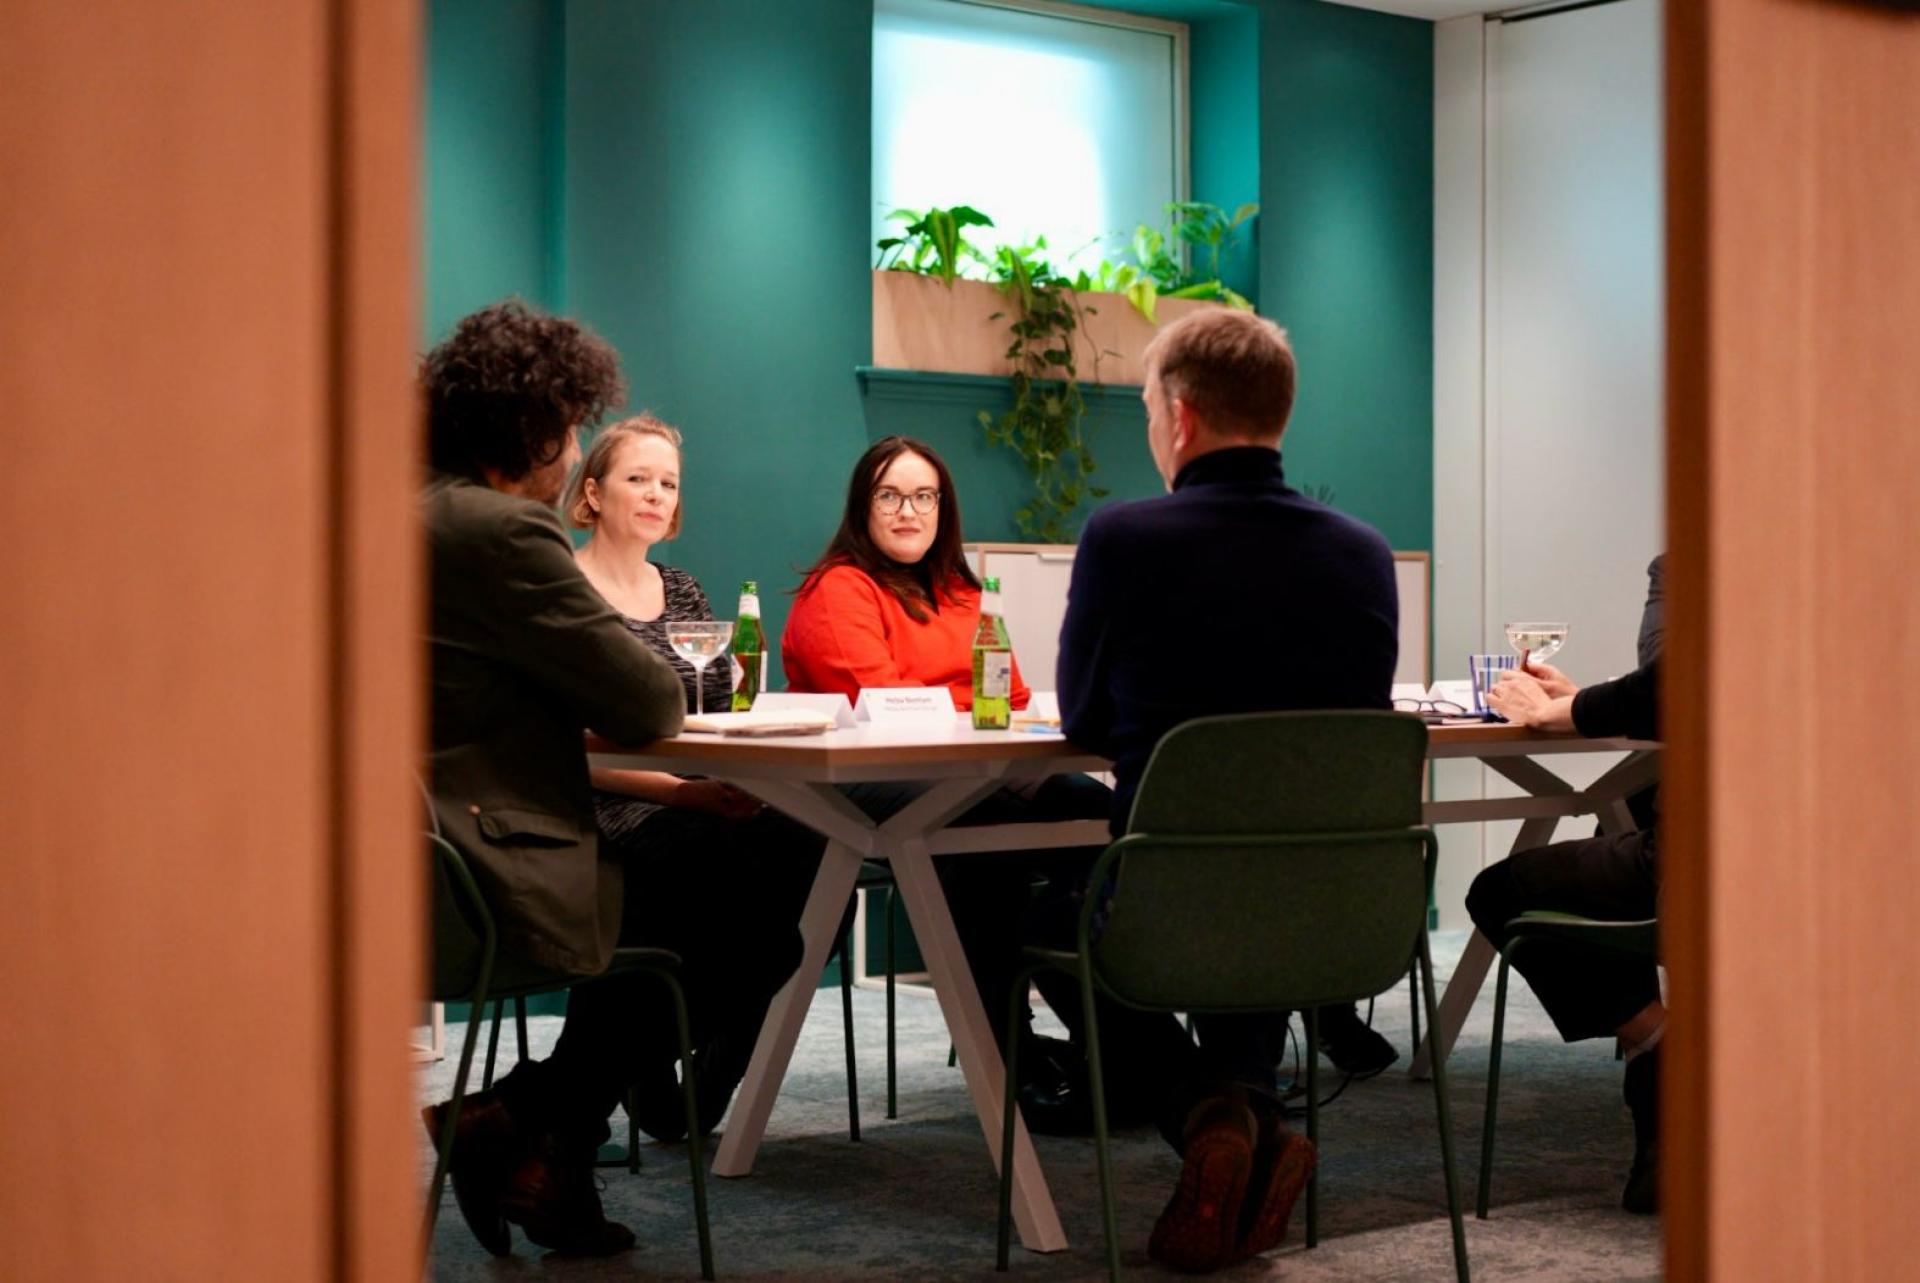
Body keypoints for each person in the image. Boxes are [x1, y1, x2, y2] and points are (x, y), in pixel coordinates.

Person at [417, 301, 802, 1257]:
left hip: (434, 845)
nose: (577, 449)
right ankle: (519, 1118)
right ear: (540, 432)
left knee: (738, 876)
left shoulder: (411, 512)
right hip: (509, 851)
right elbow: (649, 706)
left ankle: (548, 1144)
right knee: (762, 919)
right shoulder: (508, 535)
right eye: (579, 433)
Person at [1054, 308, 1401, 1271]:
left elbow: (1082, 720)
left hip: (1167, 907)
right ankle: (1254, 1108)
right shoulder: (1364, 552)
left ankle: (1211, 1111)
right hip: (1328, 916)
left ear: (1181, 416)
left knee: (1020, 910)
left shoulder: (1123, 536)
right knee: (1246, 870)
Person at [781, 436, 1118, 1113]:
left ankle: (1105, 1037)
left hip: (974, 772)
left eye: (924, 496)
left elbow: (1015, 699)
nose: (909, 510)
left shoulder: (964, 590)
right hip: (870, 784)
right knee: (981, 834)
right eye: (890, 495)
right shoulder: (838, 589)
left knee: (1096, 817)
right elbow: (884, 705)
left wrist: (956, 703)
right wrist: (966, 702)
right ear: (863, 505)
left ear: (943, 507)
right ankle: (1007, 1050)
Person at [564, 414, 824, 1140]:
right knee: (771, 936)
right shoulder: (568, 589)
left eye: (668, 483)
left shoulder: (679, 588)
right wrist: (682, 791)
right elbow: (564, 742)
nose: (655, 494)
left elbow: (712, 710)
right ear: (593, 491)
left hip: (699, 791)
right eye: (637, 478)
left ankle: (679, 1088)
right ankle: (632, 1079)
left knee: (812, 855)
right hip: (610, 801)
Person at [1470, 652, 1663, 1215]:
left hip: (1715, 861)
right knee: (1622, 810)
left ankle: (1658, 1044)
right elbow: (1670, 695)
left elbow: (1674, 682)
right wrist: (1577, 703)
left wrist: (1561, 711)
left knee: (1500, 892)